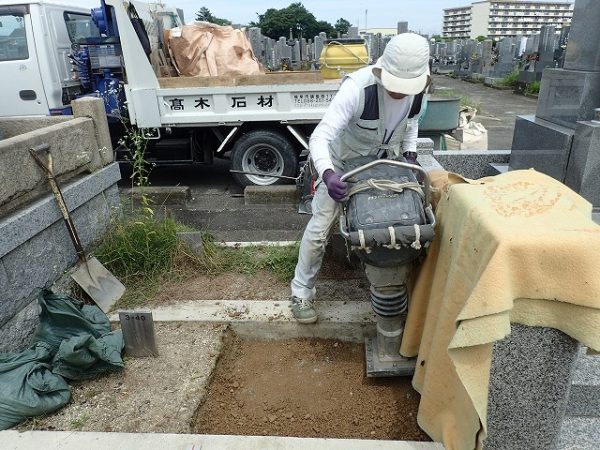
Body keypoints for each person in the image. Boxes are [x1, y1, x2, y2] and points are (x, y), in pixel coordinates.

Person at [290, 33, 431, 323]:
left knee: (401, 225)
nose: (400, 93)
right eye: (395, 86)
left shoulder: (419, 92)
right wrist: (328, 174)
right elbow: (320, 137)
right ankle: (301, 291)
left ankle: (389, 281)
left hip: (386, 164)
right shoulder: (358, 89)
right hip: (344, 165)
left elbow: (412, 124)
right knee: (319, 230)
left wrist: (410, 154)